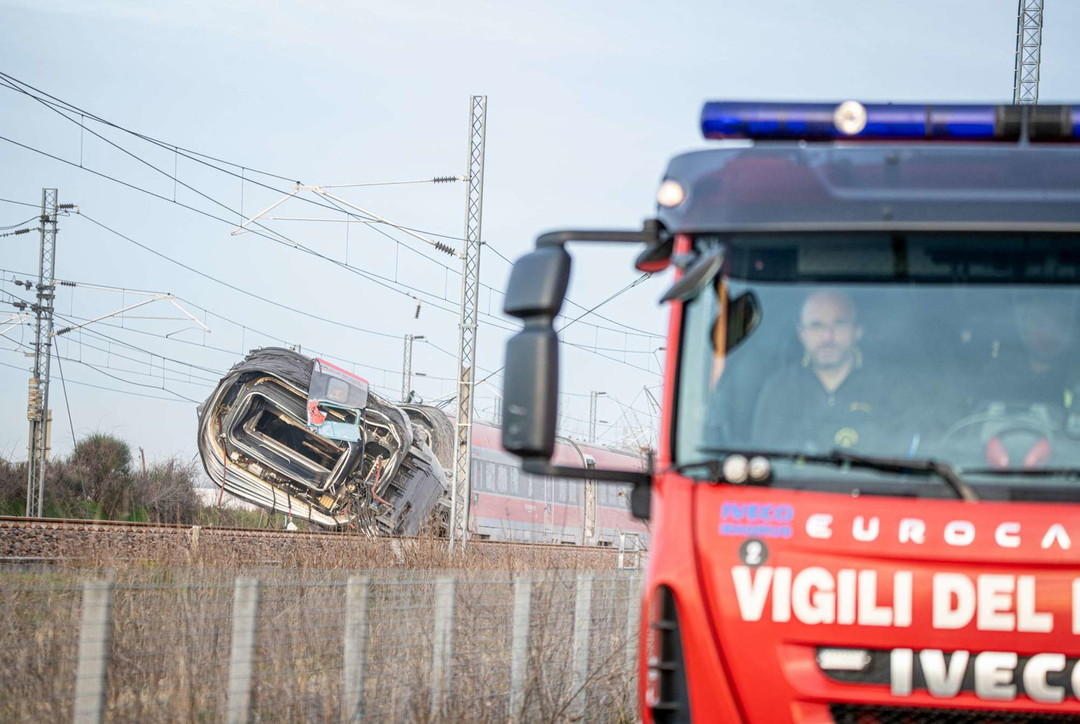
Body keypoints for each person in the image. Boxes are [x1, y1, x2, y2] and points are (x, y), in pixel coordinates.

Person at [749, 290, 908, 453]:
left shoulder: (890, 386)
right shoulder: (780, 389)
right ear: (801, 334)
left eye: (838, 324)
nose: (827, 337)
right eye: (816, 325)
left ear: (857, 331)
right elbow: (765, 460)